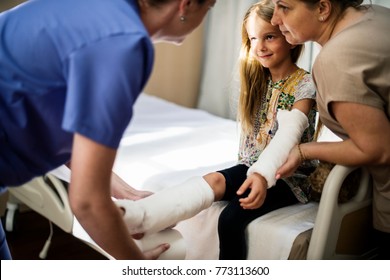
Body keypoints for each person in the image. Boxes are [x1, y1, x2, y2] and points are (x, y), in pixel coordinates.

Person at [0, 0, 217, 260]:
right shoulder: (122, 44)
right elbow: (87, 202)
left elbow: (65, 123)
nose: (205, 15)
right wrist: (135, 266)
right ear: (186, 5)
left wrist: (126, 193)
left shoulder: (99, 9)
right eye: (209, 8)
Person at [113, 0, 316, 260]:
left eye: (270, 37)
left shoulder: (305, 85)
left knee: (230, 219)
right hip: (249, 166)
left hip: (288, 177)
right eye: (253, 38)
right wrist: (252, 172)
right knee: (213, 180)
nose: (260, 46)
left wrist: (263, 177)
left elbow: (288, 135)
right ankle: (139, 216)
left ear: (289, 38)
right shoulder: (258, 81)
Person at [271, 0, 390, 259]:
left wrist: (303, 151)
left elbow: (376, 150)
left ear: (323, 9)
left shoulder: (336, 58)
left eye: (284, 7)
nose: (274, 20)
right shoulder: (376, 16)